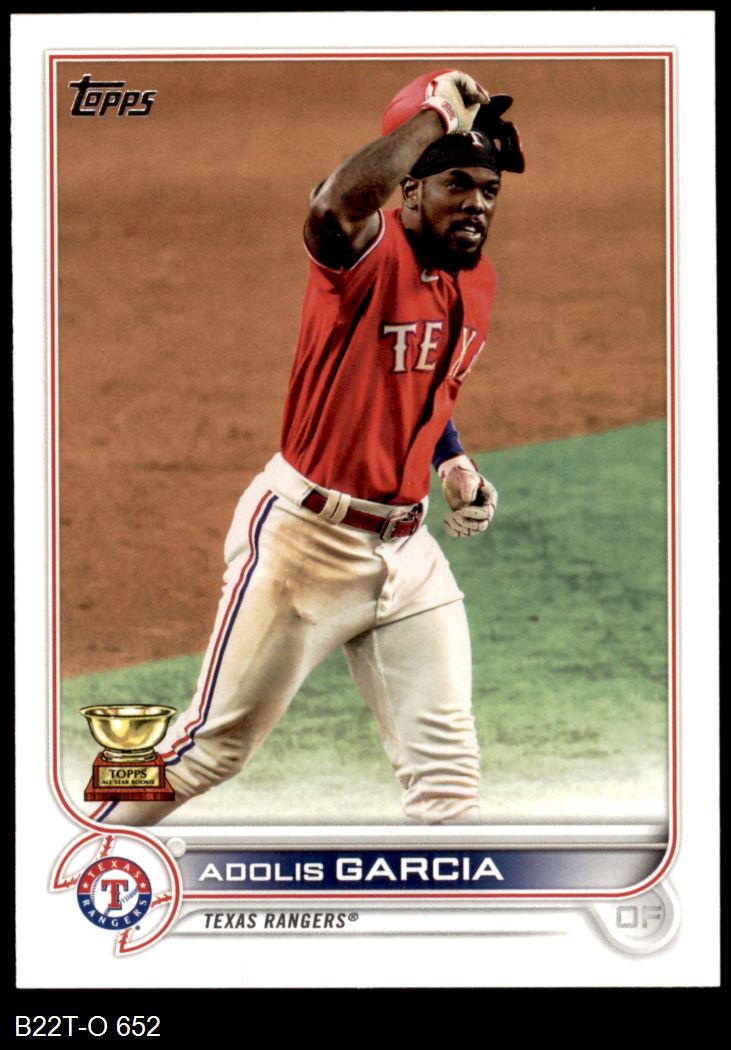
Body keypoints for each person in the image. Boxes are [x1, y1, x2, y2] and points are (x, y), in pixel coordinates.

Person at [92, 69, 525, 828]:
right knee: (207, 753)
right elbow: (333, 203)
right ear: (409, 191)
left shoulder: (473, 280)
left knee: (450, 781)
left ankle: (449, 905)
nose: (478, 204)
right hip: (305, 545)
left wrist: (452, 460)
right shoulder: (362, 255)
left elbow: (429, 385)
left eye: (489, 190)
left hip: (408, 554)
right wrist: (433, 115)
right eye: (457, 184)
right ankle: (75, 853)